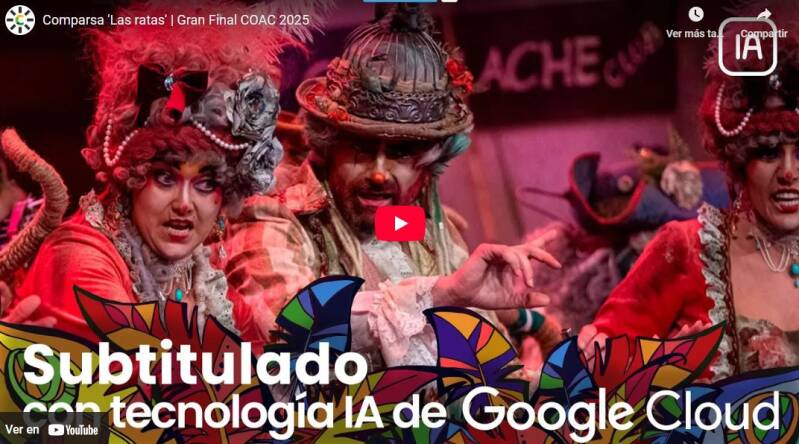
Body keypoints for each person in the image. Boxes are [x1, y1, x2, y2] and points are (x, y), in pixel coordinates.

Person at [222, 4, 562, 370]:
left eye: (400, 152)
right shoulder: (273, 216)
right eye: (362, 148)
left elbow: (490, 367)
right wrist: (440, 294)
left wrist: (548, 378)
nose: (380, 173)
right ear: (327, 145)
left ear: (426, 163)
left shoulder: (423, 228)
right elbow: (290, 329)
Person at [5, 2, 301, 341]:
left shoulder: (199, 271)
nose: (184, 204)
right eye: (165, 177)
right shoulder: (77, 256)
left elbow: (266, 356)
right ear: (129, 177)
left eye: (206, 183)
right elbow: (145, 366)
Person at [579, 2, 799, 381]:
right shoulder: (687, 249)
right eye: (768, 153)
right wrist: (661, 370)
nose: (789, 173)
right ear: (740, 160)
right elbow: (592, 372)